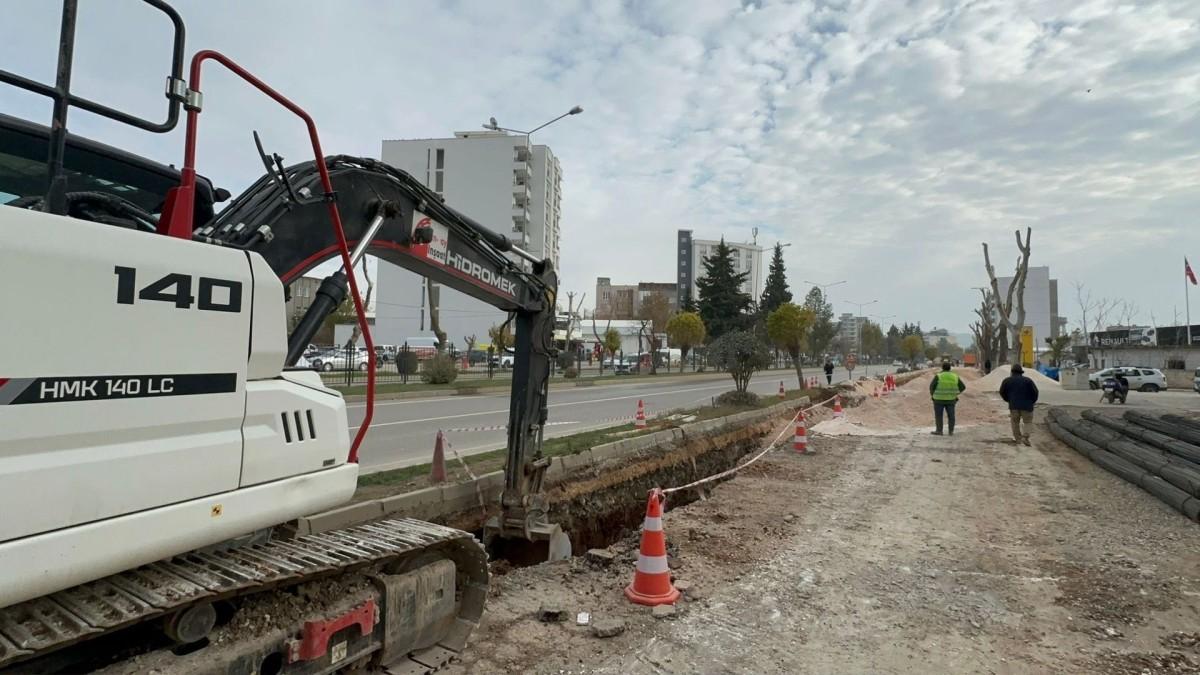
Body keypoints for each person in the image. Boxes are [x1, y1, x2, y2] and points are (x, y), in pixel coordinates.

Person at [999, 364, 1039, 446]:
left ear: (1012, 372)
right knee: (1028, 422)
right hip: (1027, 406)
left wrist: (1008, 400)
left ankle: (1018, 439)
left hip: (1013, 406)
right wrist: (1032, 401)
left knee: (1015, 422)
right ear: (1021, 372)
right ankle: (1025, 437)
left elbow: (1002, 392)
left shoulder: (1007, 381)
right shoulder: (1028, 381)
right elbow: (1035, 392)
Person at [929, 362, 965, 435]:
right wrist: (955, 393)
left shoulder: (939, 376)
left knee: (939, 416)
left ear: (942, 367)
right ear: (950, 368)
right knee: (951, 416)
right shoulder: (955, 376)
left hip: (938, 400)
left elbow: (931, 387)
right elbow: (963, 387)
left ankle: (939, 431)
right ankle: (951, 431)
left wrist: (933, 395)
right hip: (951, 400)